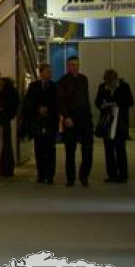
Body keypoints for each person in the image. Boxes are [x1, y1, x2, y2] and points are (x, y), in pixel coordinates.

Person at [56, 56, 93, 187]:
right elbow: (60, 101)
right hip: (70, 118)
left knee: (88, 150)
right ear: (68, 66)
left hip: (85, 119)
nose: (75, 67)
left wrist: (89, 116)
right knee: (70, 151)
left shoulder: (83, 79)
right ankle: (70, 178)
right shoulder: (62, 81)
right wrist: (66, 117)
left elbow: (86, 99)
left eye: (77, 64)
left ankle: (84, 176)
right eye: (72, 65)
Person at [94, 69, 133, 183]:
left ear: (116, 79)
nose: (110, 85)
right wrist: (104, 105)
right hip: (107, 123)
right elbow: (97, 102)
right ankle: (112, 175)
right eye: (108, 82)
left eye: (112, 82)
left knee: (120, 149)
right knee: (109, 150)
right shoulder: (102, 87)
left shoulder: (124, 86)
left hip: (120, 123)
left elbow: (130, 101)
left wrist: (116, 104)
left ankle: (123, 175)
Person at [23, 63, 59, 184]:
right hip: (37, 122)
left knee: (50, 149)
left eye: (50, 72)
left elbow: (57, 102)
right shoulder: (34, 86)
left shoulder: (54, 86)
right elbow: (28, 103)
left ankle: (50, 175)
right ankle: (41, 174)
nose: (50, 74)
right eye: (47, 71)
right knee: (39, 149)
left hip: (50, 121)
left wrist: (49, 110)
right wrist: (38, 109)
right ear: (41, 73)